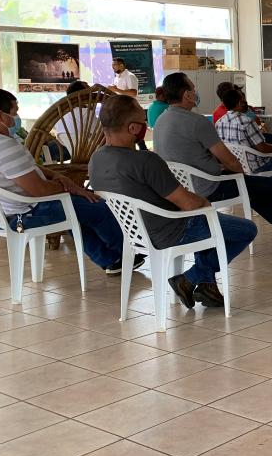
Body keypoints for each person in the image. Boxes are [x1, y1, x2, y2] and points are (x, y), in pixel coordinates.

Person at [89, 95, 258, 309]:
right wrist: (205, 203)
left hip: (136, 234)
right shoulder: (146, 161)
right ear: (132, 128)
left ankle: (205, 285)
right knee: (245, 229)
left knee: (208, 223)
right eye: (143, 122)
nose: (146, 127)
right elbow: (188, 204)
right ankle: (190, 278)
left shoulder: (96, 159)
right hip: (174, 229)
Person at [0, 88, 129, 275]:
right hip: (21, 219)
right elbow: (42, 191)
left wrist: (58, 177)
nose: (16, 118)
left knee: (77, 208)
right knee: (99, 207)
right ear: (0, 116)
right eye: (14, 113)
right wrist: (72, 188)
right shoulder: (3, 147)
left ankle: (111, 260)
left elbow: (24, 169)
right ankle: (126, 255)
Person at [154, 72, 272, 238]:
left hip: (181, 188)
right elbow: (230, 161)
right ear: (186, 94)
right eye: (193, 89)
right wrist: (242, 176)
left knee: (255, 190)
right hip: (209, 187)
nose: (196, 92)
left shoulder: (161, 121)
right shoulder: (197, 122)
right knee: (267, 185)